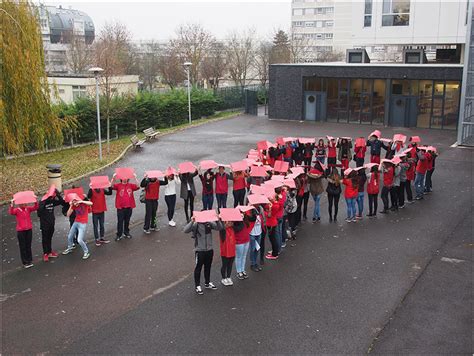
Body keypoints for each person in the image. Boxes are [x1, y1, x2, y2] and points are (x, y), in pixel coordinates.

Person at [183, 217, 224, 295]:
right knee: (198, 268)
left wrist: (217, 220)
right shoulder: (196, 225)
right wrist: (192, 221)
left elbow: (220, 228)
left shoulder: (209, 223)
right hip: (200, 251)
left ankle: (207, 283)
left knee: (208, 267)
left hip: (209, 250)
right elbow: (185, 230)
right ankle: (197, 285)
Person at [9, 199, 39, 268]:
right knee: (23, 246)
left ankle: (29, 260)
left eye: (26, 203)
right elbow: (11, 212)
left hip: (28, 230)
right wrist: (12, 205)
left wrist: (35, 201)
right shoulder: (17, 210)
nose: (26, 204)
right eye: (24, 203)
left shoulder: (27, 209)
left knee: (28, 245)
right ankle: (25, 262)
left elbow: (35, 207)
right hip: (21, 231)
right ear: (20, 204)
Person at [62, 195, 93, 260]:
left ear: (78, 200)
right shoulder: (73, 206)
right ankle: (70, 248)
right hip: (76, 222)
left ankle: (86, 252)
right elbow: (68, 215)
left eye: (75, 202)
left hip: (83, 224)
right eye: (73, 202)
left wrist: (82, 201)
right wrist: (70, 206)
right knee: (70, 236)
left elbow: (91, 203)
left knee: (79, 240)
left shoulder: (83, 204)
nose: (75, 204)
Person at [37, 189, 64, 261]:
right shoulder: (42, 202)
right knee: (45, 239)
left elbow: (61, 202)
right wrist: (44, 200)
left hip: (51, 223)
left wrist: (58, 194)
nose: (52, 197)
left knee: (49, 238)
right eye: (52, 196)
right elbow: (39, 213)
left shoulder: (52, 201)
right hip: (44, 224)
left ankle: (50, 251)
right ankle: (45, 253)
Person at [111, 174, 140, 240]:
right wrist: (113, 178)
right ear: (121, 178)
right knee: (120, 221)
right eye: (123, 177)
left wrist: (135, 178)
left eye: (126, 177)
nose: (125, 179)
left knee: (127, 221)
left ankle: (126, 232)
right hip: (120, 207)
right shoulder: (118, 185)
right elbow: (111, 186)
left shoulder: (131, 185)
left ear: (128, 179)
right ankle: (119, 235)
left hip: (129, 207)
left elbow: (138, 186)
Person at [234, 214, 251, 280]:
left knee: (244, 256)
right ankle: (239, 271)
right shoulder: (235, 222)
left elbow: (252, 219)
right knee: (239, 256)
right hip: (239, 242)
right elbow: (237, 229)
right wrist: (240, 220)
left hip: (246, 240)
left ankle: (243, 269)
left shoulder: (245, 220)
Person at [249, 205, 265, 271]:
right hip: (252, 233)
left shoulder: (260, 209)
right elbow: (250, 220)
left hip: (259, 233)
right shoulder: (250, 210)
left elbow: (263, 219)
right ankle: (252, 263)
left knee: (257, 249)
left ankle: (255, 263)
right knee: (252, 249)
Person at [219, 221, 236, 286]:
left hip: (232, 250)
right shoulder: (222, 230)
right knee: (224, 265)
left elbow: (240, 227)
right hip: (225, 251)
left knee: (230, 264)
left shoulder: (233, 228)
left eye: (231, 222)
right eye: (228, 222)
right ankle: (223, 278)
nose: (230, 223)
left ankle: (228, 277)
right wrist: (224, 226)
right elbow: (220, 228)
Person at [265, 195, 281, 260]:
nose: (270, 197)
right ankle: (274, 250)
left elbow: (269, 215)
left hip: (271, 223)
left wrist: (269, 208)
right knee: (272, 238)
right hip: (272, 222)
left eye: (272, 197)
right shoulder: (274, 204)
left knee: (273, 239)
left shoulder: (274, 206)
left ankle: (274, 254)